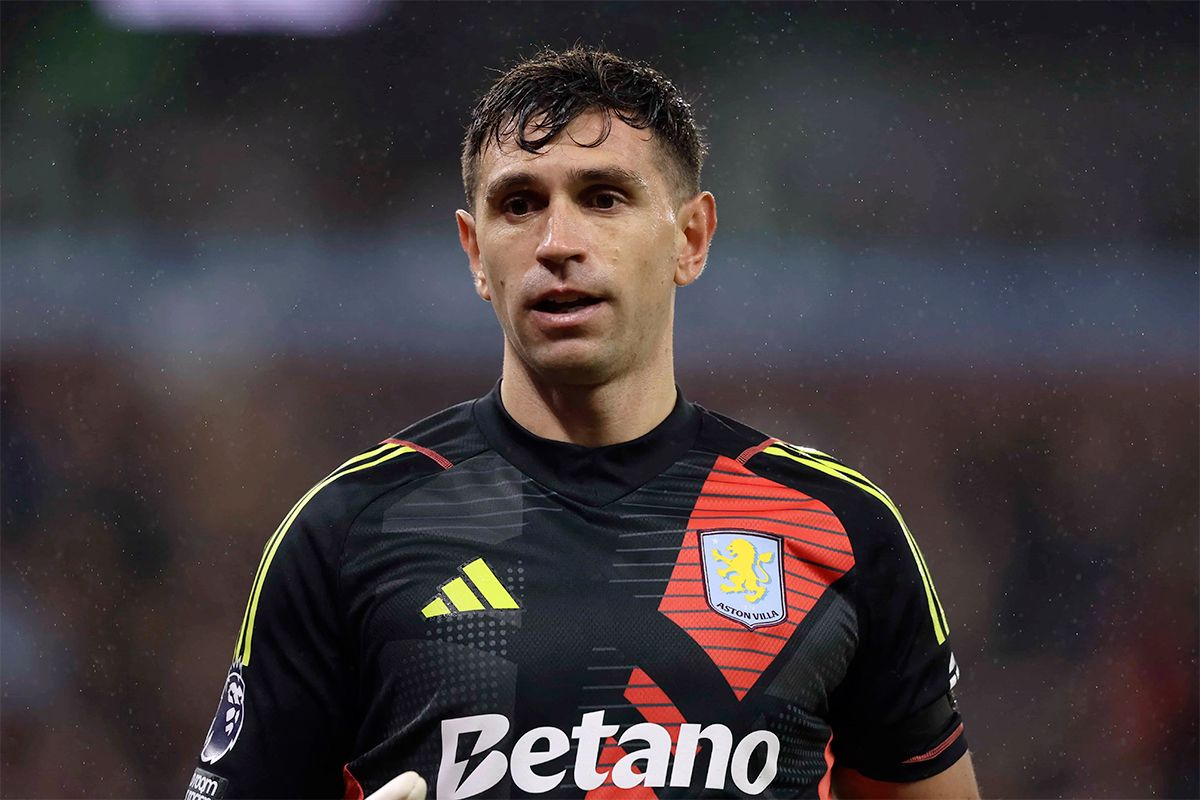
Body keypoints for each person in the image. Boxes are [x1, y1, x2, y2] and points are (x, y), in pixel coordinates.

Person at [187, 46, 979, 800]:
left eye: (603, 198)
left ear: (691, 238)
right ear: (475, 253)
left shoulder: (839, 527)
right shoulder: (349, 530)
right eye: (519, 204)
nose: (557, 244)